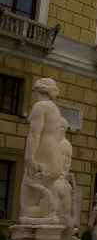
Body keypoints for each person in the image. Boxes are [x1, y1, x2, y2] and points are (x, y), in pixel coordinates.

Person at [21, 77, 71, 222]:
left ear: (39, 91)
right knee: (45, 193)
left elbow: (34, 133)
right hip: (54, 155)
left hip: (42, 153)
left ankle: (41, 219)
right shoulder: (55, 109)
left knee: (26, 204)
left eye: (35, 91)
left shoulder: (40, 106)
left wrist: (29, 157)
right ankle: (49, 216)